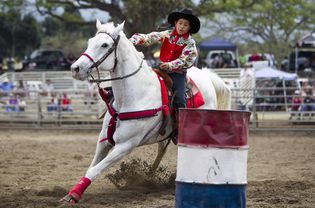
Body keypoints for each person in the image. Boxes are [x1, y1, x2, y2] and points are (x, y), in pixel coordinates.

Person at [129, 8, 200, 111]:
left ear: (189, 27)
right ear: (176, 23)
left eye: (185, 25)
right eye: (180, 23)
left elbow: (185, 60)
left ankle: (181, 122)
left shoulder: (190, 42)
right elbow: (150, 37)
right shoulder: (167, 34)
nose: (182, 27)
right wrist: (132, 40)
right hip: (161, 68)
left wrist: (170, 65)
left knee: (180, 99)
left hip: (177, 73)